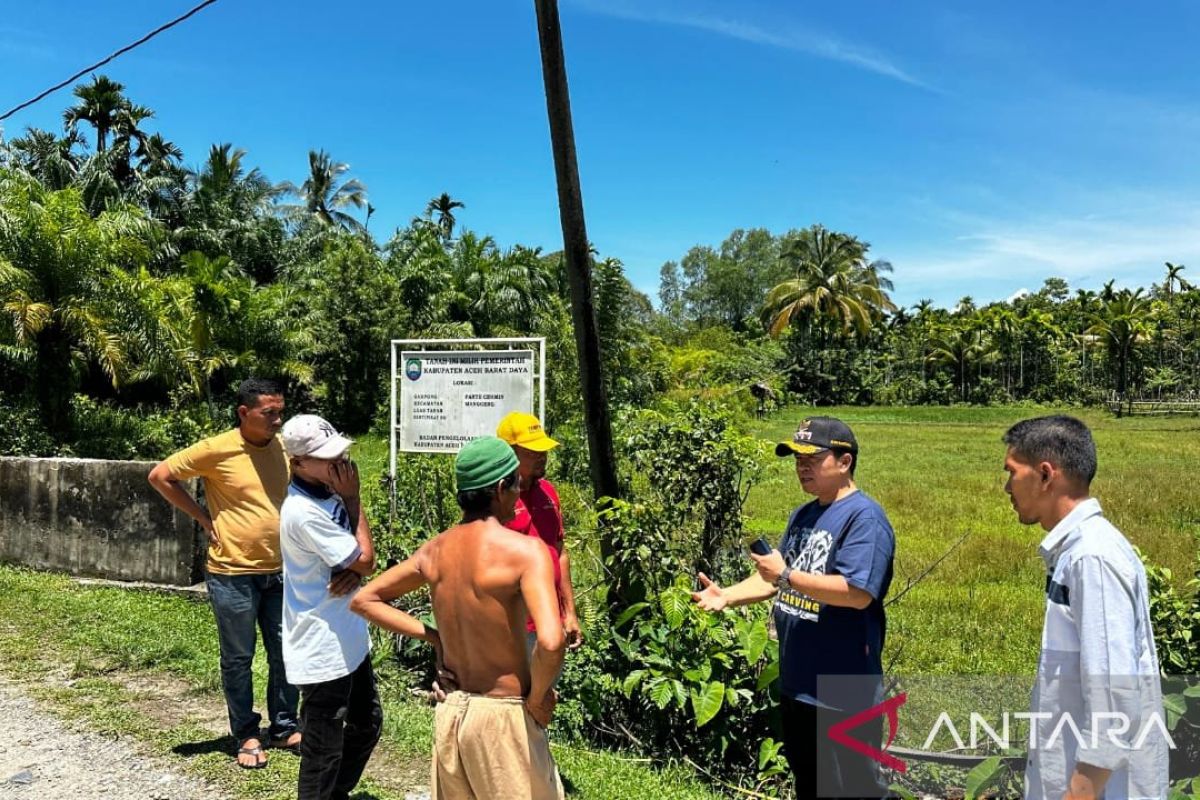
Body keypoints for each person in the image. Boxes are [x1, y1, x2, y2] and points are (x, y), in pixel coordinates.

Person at [351, 436, 565, 800]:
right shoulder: (526, 552)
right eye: (517, 484)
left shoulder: (435, 550)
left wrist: (436, 638)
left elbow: (364, 599)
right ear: (501, 488)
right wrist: (537, 698)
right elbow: (551, 640)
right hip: (504, 716)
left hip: (452, 712)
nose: (519, 493)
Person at [692, 416, 894, 799]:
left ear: (844, 461)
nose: (802, 466)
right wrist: (727, 596)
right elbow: (773, 578)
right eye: (796, 458)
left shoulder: (865, 518)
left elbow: (856, 592)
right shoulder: (805, 515)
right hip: (799, 684)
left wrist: (786, 575)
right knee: (813, 787)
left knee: (857, 790)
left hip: (843, 688)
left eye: (812, 458)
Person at [1002, 415, 1168, 800]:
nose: (1006, 487)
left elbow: (1114, 700)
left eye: (1011, 472)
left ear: (1045, 475)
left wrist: (1077, 794)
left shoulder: (1091, 558)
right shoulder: (1077, 552)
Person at [148, 377, 299, 769]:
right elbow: (160, 476)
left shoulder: (284, 447)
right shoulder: (217, 448)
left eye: (281, 412)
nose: (278, 421)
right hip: (233, 572)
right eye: (270, 414)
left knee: (286, 653)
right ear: (244, 413)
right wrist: (202, 517)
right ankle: (247, 733)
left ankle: (284, 726)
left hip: (282, 570)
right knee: (238, 657)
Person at [279, 414, 382, 800]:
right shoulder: (303, 512)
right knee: (322, 750)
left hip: (348, 634)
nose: (339, 463)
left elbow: (356, 564)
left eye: (340, 453)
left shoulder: (327, 490)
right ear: (298, 463)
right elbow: (366, 559)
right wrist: (354, 498)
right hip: (322, 647)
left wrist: (354, 571)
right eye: (327, 458)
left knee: (367, 724)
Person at [495, 411, 582, 663]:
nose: (542, 457)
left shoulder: (549, 494)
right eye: (533, 452)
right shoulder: (495, 500)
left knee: (544, 697)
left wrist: (569, 613)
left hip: (549, 623)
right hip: (509, 626)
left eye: (543, 451)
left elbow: (560, 553)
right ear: (510, 453)